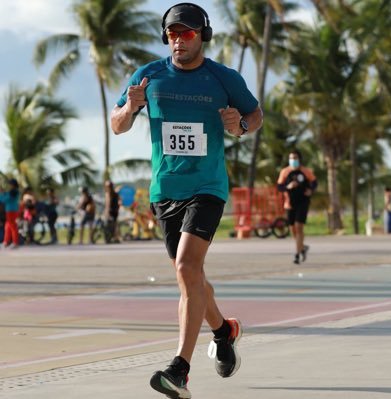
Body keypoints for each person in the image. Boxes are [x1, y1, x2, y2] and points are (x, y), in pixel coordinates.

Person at [110, 3, 263, 398]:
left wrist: (241, 125)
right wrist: (131, 106)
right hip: (165, 192)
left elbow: (254, 113)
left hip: (208, 187)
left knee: (186, 266)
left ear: (203, 36)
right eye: (173, 34)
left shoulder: (223, 78)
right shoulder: (148, 75)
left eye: (188, 33)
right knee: (191, 278)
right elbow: (117, 125)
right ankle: (223, 330)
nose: (179, 40)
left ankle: (179, 369)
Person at [277, 149, 317, 264]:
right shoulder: (285, 172)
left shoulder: (305, 171)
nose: (293, 160)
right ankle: (302, 247)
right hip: (290, 203)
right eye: (291, 158)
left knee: (299, 227)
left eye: (295, 158)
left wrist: (310, 190)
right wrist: (288, 187)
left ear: (299, 159)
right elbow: (279, 187)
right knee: (293, 229)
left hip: (303, 202)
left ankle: (297, 254)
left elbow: (314, 183)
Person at [0, 178, 20, 249]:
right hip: (10, 211)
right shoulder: (12, 191)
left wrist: (1, 194)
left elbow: (5, 199)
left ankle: (15, 242)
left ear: (13, 185)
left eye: (10, 184)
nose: (9, 185)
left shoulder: (13, 191)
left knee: (13, 226)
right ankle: (6, 242)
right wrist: (2, 193)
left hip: (12, 211)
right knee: (7, 226)